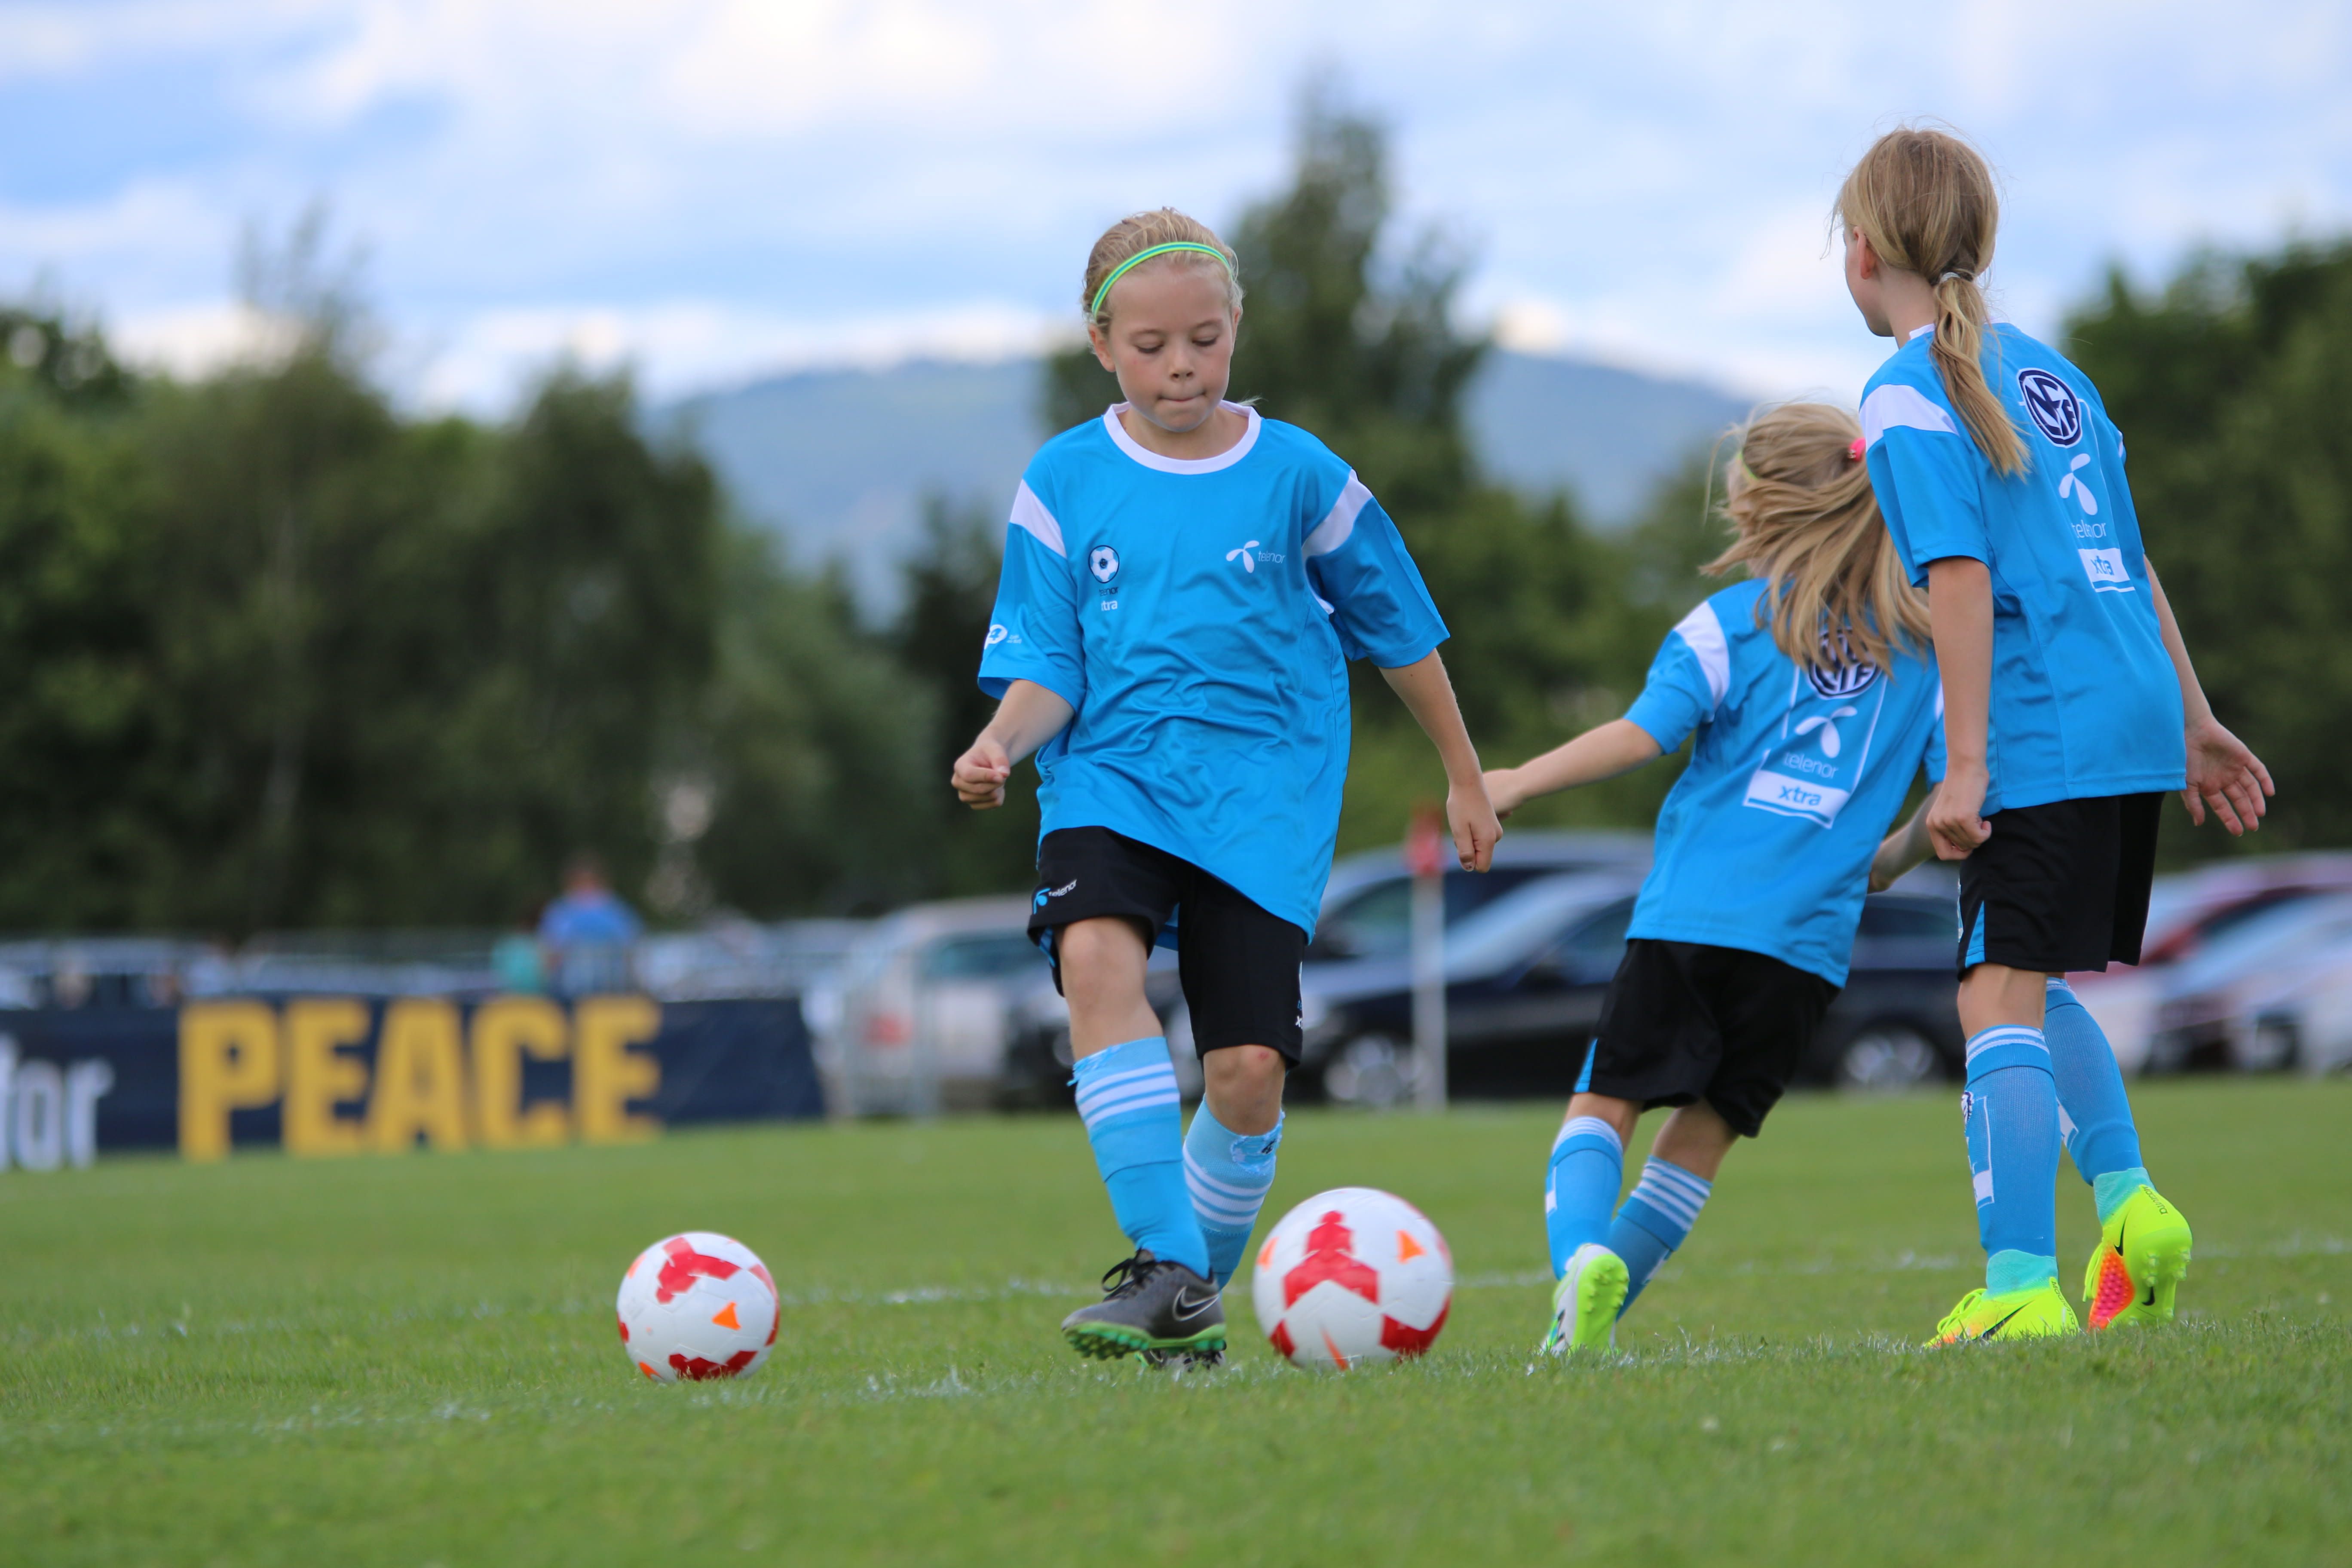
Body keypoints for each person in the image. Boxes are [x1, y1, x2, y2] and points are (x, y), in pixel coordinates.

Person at [952, 208, 1499, 1364]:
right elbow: (1049, 666)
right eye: (1152, 346)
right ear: (1102, 343)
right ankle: (1167, 1269)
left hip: (1264, 804)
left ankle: (1181, 1301)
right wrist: (1003, 740)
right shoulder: (1061, 480)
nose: (1182, 365)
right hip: (1109, 782)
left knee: (1246, 1072)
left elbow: (1401, 632)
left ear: (1236, 326)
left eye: (1205, 338)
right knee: (1098, 960)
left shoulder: (1301, 476)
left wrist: (1465, 776)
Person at [1837, 126, 2272, 1344]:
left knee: (1992, 994)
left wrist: (1965, 767)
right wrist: (2191, 716)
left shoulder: (1902, 391)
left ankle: (2022, 1289)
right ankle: (2133, 1213)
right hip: (2124, 709)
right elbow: (2128, 562)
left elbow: (1962, 579)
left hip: (2043, 725)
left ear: (1863, 254)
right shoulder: (2058, 376)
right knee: (2027, 985)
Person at [1484, 402, 1944, 1355]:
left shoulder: (1732, 623)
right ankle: (1578, 1336)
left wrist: (1518, 779)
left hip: (1691, 921)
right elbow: (1950, 812)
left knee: (1602, 1106)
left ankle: (1579, 1267)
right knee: (1696, 1147)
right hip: (1806, 953)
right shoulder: (1927, 648)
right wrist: (1885, 866)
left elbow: (1641, 735)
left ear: (1762, 513)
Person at [538, 853, 642, 995]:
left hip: (612, 988)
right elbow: (551, 952)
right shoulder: (561, 910)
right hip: (571, 989)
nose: (586, 887)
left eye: (589, 881)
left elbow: (631, 950)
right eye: (580, 881)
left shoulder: (615, 910)